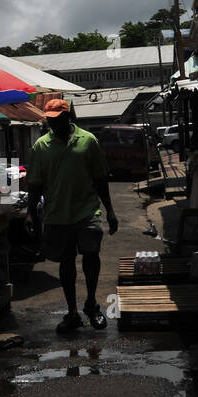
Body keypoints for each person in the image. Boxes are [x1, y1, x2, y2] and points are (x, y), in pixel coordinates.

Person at [25, 99, 118, 333]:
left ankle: (91, 304)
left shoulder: (88, 141)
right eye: (50, 119)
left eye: (58, 118)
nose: (53, 122)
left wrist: (111, 211)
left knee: (91, 256)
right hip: (57, 215)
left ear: (68, 116)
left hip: (87, 211)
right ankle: (72, 312)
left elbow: (100, 178)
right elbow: (35, 184)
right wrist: (31, 213)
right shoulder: (40, 146)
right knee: (66, 263)